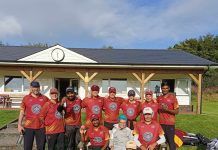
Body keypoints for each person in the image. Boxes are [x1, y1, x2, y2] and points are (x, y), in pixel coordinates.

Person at [18, 81, 49, 150]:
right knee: (27, 148)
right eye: (34, 87)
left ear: (39, 88)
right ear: (31, 88)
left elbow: (52, 106)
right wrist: (19, 125)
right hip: (28, 127)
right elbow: (22, 112)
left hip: (41, 127)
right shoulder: (26, 98)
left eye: (37, 87)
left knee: (41, 148)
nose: (36, 89)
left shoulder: (45, 98)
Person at [157, 82, 179, 150]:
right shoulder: (159, 98)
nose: (165, 90)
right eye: (163, 88)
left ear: (169, 89)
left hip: (170, 124)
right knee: (162, 142)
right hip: (161, 124)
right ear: (161, 89)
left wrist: (167, 110)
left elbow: (177, 111)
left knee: (171, 142)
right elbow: (158, 110)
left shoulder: (173, 98)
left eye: (166, 88)